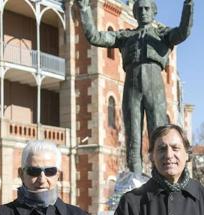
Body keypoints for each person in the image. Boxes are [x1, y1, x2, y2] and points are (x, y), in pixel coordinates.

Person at [77, 0, 193, 173]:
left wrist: (188, 4)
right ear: (134, 13)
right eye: (139, 9)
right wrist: (84, 9)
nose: (143, 12)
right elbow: (95, 37)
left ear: (154, 12)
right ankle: (135, 176)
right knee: (133, 135)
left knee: (158, 132)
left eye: (147, 9)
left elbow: (184, 31)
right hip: (132, 86)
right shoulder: (125, 37)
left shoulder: (163, 35)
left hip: (155, 87)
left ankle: (159, 175)